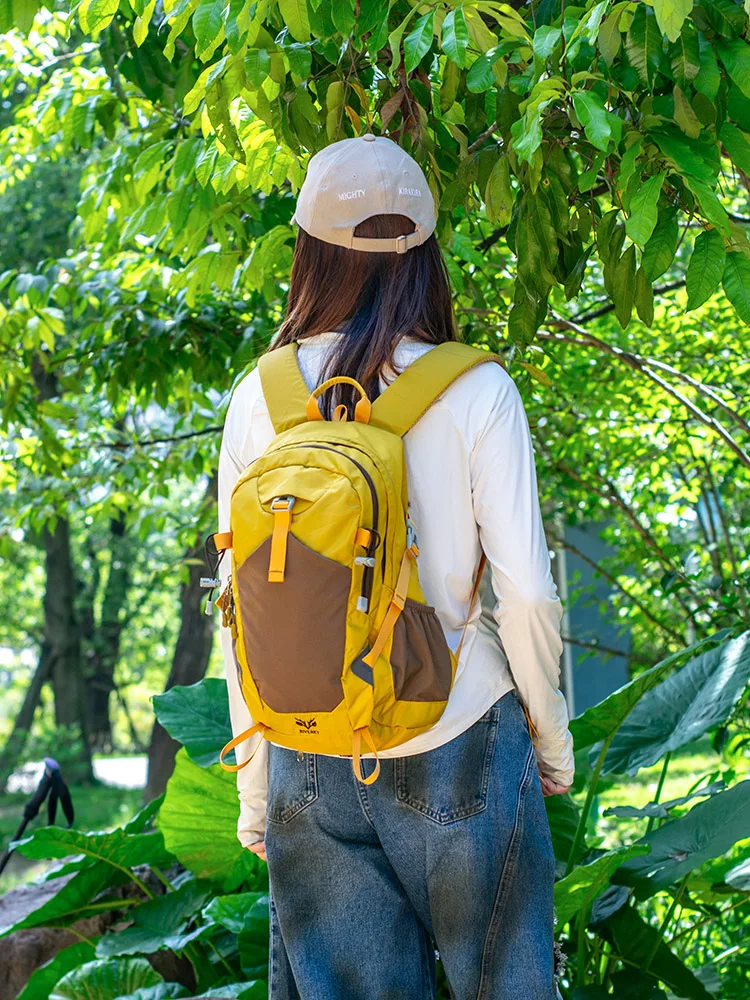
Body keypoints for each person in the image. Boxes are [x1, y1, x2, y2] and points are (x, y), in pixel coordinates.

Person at [217, 134, 574, 1000]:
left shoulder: (260, 396)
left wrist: (256, 793)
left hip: (310, 746)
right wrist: (551, 741)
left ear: (307, 250)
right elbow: (527, 593)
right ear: (425, 253)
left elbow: (241, 608)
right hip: (460, 729)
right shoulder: (477, 389)